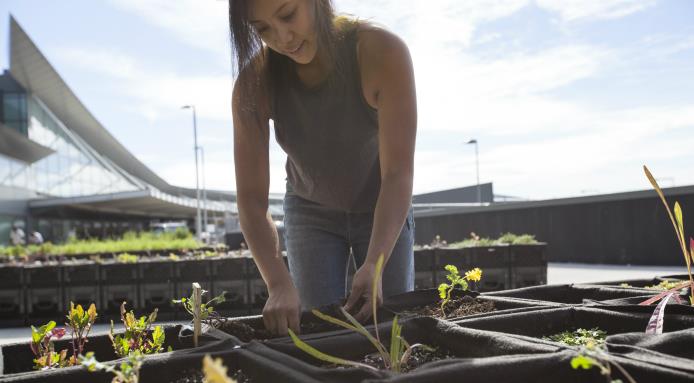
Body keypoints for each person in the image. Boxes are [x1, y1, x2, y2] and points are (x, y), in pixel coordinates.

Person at [230, 0, 417, 335]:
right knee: (321, 334)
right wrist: (277, 282)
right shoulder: (252, 85)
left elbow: (397, 174)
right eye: (262, 29)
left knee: (391, 330)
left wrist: (375, 262)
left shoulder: (382, 53)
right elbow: (251, 200)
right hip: (309, 211)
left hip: (382, 205)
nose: (283, 37)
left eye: (288, 15)